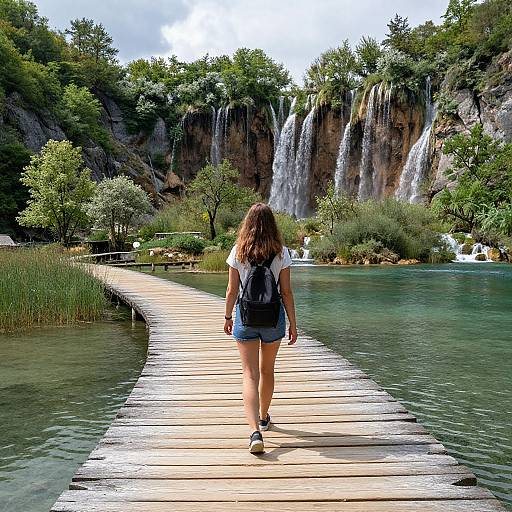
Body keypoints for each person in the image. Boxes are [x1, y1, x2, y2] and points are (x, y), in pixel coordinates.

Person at [224, 203, 298, 454]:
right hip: (273, 318)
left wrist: (227, 316)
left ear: (247, 225)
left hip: (245, 317)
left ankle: (254, 430)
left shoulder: (238, 251)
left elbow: (232, 290)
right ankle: (265, 416)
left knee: (249, 375)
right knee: (267, 371)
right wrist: (293, 324)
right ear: (272, 226)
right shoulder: (281, 252)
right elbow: (286, 292)